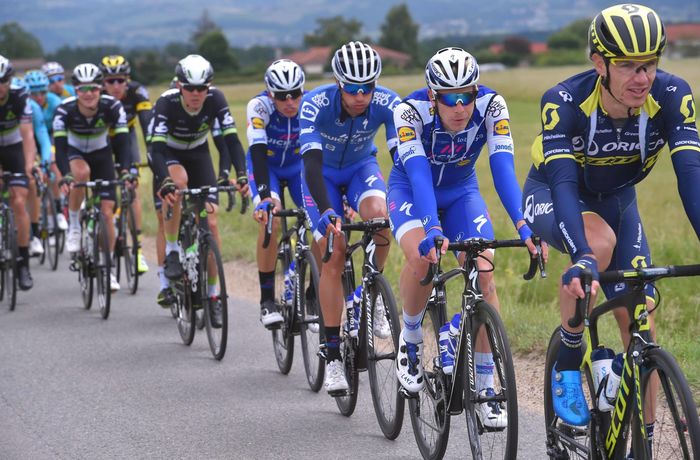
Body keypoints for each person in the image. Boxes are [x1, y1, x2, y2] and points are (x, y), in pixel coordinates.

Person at [522, 4, 700, 429]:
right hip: (552, 191)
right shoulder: (564, 102)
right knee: (597, 245)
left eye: (650, 65)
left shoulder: (673, 96)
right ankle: (567, 362)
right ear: (599, 63)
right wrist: (582, 255)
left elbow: (691, 177)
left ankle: (645, 437)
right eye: (628, 67)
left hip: (619, 200)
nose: (642, 79)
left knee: (641, 318)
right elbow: (564, 183)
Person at [388, 47, 542, 427]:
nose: (460, 107)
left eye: (467, 96)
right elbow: (419, 174)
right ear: (432, 96)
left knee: (484, 270)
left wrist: (523, 225)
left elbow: (503, 167)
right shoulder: (408, 112)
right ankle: (409, 340)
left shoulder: (492, 106)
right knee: (423, 257)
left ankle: (487, 386)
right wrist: (433, 228)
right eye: (450, 98)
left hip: (461, 191)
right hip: (410, 190)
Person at [299, 41, 398, 394]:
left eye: (367, 87)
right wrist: (328, 210)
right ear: (338, 83)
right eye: (352, 88)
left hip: (360, 167)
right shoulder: (315, 104)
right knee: (334, 250)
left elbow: (401, 156)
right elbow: (309, 165)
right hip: (320, 174)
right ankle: (332, 356)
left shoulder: (388, 103)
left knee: (381, 218)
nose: (360, 96)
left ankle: (371, 292)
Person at [150, 54, 249, 327]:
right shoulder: (166, 102)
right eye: (190, 88)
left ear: (209, 87)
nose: (196, 94)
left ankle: (215, 296)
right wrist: (164, 180)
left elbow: (230, 140)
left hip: (198, 154)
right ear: (179, 86)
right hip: (167, 154)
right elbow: (155, 149)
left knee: (212, 222)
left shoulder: (216, 99)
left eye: (201, 88)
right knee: (178, 183)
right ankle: (172, 250)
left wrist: (239, 174)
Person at [54, 63, 131, 293]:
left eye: (94, 89)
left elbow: (124, 142)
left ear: (101, 90)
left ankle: (107, 269)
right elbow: (59, 147)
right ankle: (75, 225)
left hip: (102, 155)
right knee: (80, 174)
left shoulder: (113, 107)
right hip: (74, 152)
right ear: (75, 90)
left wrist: (125, 170)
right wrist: (65, 174)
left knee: (107, 213)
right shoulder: (64, 110)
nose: (88, 94)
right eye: (82, 89)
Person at [247, 59, 306, 327]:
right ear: (270, 93)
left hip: (296, 167)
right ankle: (267, 300)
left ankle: (308, 288)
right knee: (271, 220)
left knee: (317, 215)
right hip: (266, 167)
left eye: (295, 94)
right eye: (282, 96)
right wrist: (263, 197)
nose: (290, 101)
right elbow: (258, 153)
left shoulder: (309, 106)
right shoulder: (259, 107)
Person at [99, 55, 151, 274]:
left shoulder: (138, 92)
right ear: (102, 82)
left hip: (126, 138)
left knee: (132, 188)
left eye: (121, 80)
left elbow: (148, 125)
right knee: (101, 188)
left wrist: (152, 153)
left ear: (128, 80)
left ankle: (137, 249)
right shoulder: (96, 96)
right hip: (100, 138)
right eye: (110, 81)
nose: (116, 86)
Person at [0, 58, 37, 291]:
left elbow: (28, 135)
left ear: (10, 81)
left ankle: (23, 262)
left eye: (3, 81)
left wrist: (29, 165)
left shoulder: (21, 96)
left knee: (19, 200)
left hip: (14, 147)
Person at [11, 75, 53, 257]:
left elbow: (43, 139)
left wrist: (43, 164)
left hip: (26, 148)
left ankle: (35, 234)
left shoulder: (33, 109)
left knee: (31, 182)